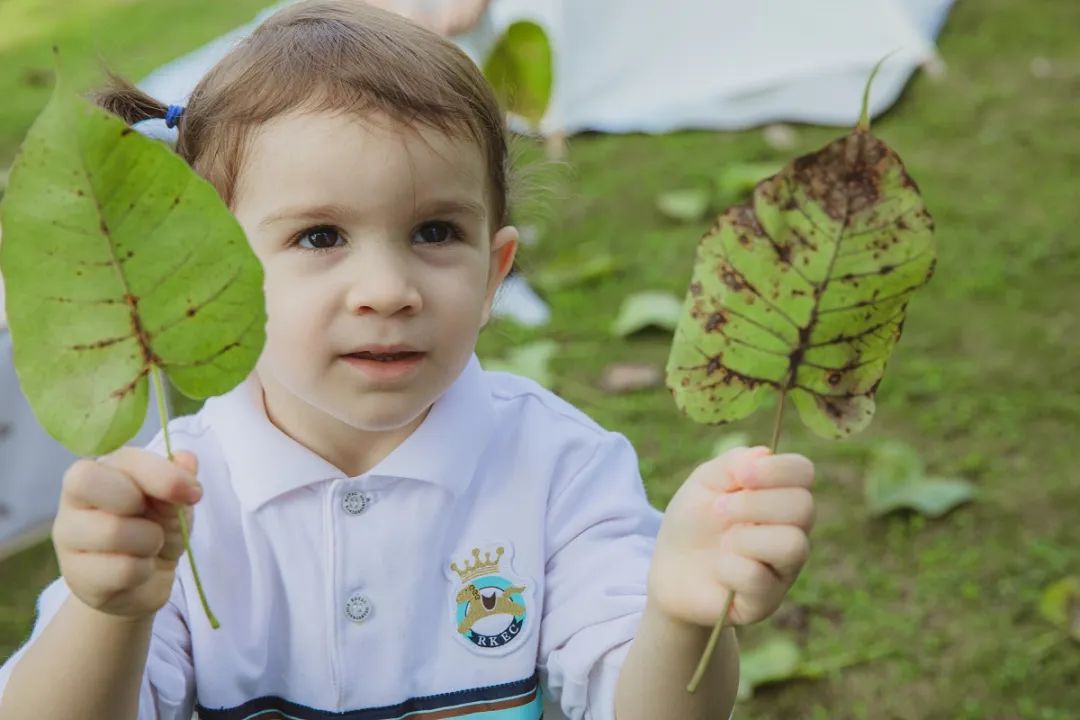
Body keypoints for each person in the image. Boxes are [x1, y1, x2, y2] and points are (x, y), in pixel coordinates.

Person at [0, 3, 816, 719]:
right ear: (203, 275)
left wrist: (680, 618)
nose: (388, 290)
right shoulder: (169, 501)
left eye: (435, 232)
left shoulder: (562, 469)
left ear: (494, 272)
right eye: (319, 236)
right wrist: (106, 610)